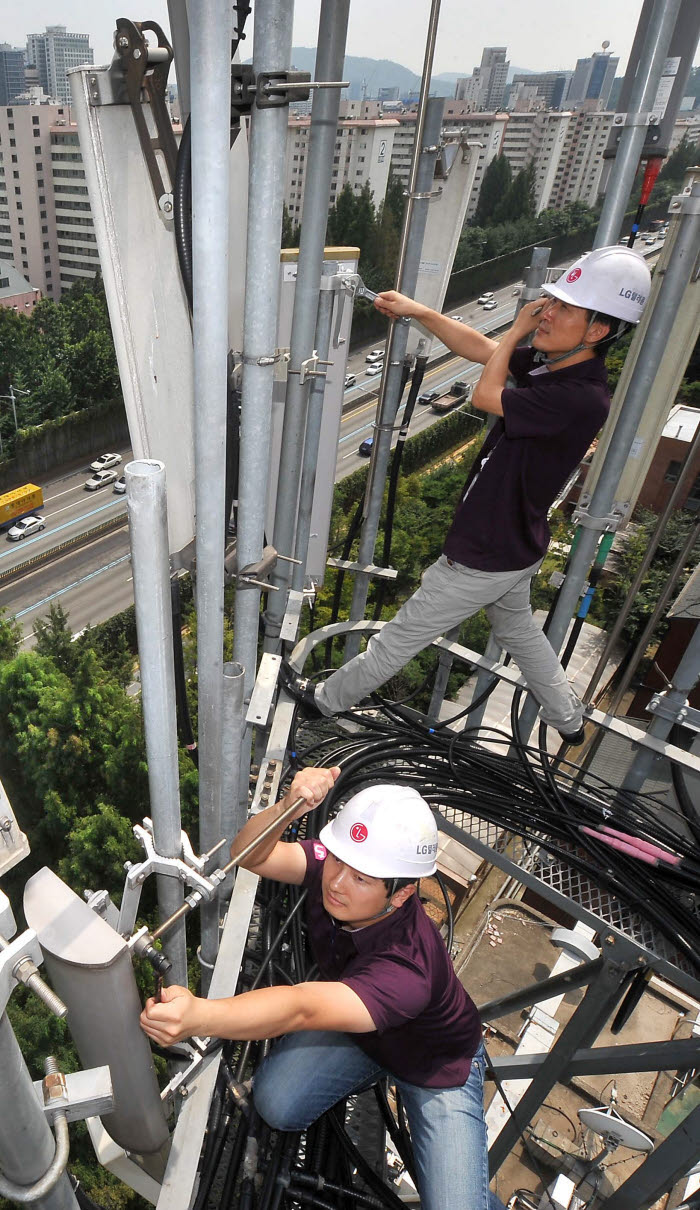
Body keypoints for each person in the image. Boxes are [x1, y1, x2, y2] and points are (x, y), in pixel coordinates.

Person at [281, 246, 651, 743]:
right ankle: (568, 720)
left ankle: (322, 702)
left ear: (598, 330)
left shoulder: (579, 397)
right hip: (515, 545)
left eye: (564, 307)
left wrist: (518, 329)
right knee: (520, 634)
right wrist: (420, 312)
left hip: (485, 550)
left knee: (398, 639)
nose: (548, 311)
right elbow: (479, 349)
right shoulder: (556, 370)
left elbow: (483, 395)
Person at [140, 765, 504, 1210]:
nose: (336, 883)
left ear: (402, 894)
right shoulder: (337, 871)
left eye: (361, 878)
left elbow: (302, 1007)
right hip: (362, 1034)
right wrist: (289, 806)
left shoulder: (408, 970)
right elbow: (249, 855)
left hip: (434, 1067)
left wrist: (199, 1016)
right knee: (276, 1104)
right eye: (336, 861)